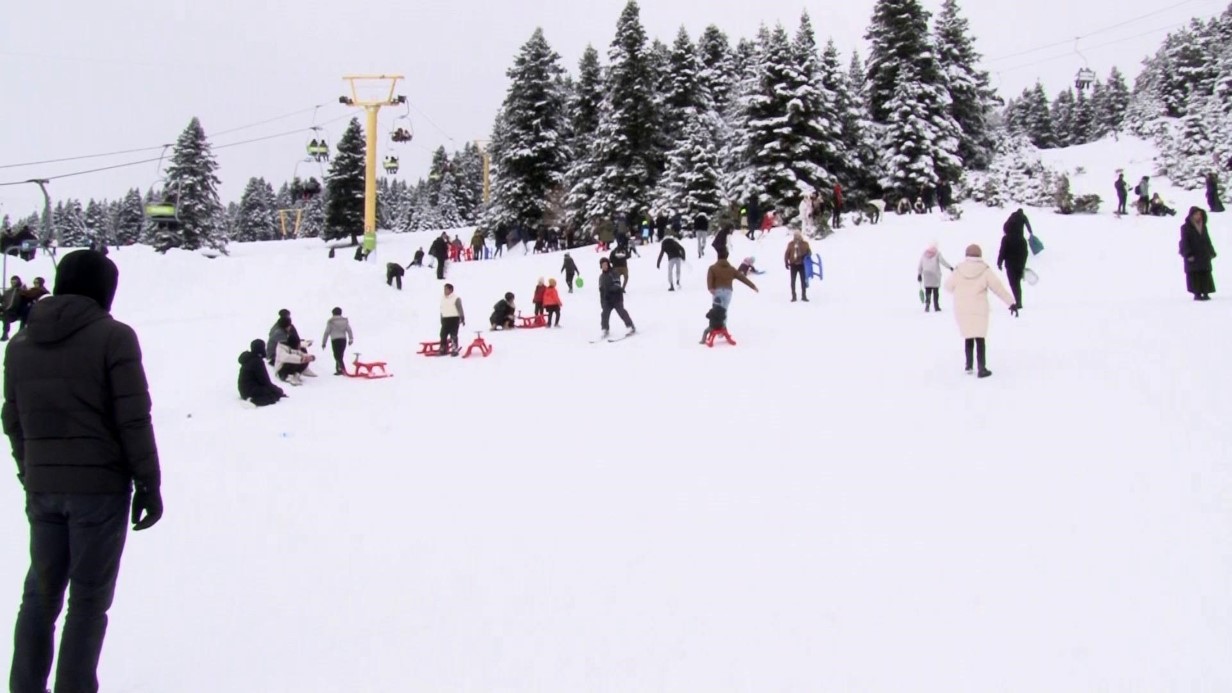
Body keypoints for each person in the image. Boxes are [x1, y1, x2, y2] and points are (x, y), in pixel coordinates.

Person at [2, 249, 163, 693]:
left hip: (43, 489)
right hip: (100, 490)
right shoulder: (114, 337)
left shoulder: (19, 344)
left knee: (39, 594)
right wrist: (149, 484)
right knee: (87, 602)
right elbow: (133, 418)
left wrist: (29, 471)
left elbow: (12, 419)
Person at [944, 244, 1018, 378]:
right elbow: (998, 288)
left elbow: (948, 287)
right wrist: (1011, 302)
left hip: (962, 308)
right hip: (979, 308)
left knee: (968, 336)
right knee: (979, 337)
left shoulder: (959, 269)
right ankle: (982, 367)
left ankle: (968, 365)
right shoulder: (985, 270)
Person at [1179, 206, 1217, 301]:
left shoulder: (1203, 226)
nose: (1198, 216)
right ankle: (1197, 293)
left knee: (1205, 273)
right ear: (1191, 216)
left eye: (1199, 214)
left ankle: (1205, 292)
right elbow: (1184, 242)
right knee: (1194, 274)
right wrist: (1188, 254)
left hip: (1204, 254)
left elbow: (1208, 240)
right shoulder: (1185, 227)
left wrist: (1211, 251)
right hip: (1193, 255)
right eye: (1196, 214)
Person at [997, 209, 1032, 309]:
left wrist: (999, 262)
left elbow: (1002, 251)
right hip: (1019, 264)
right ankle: (1019, 301)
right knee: (1017, 283)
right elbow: (1025, 253)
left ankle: (1018, 302)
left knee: (1014, 284)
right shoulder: (1022, 240)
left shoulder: (1006, 238)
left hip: (1010, 265)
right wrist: (1023, 264)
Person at [238, 340, 286, 406]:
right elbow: (265, 381)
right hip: (249, 392)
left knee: (273, 392)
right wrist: (278, 390)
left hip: (244, 390)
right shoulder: (257, 362)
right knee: (273, 395)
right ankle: (253, 401)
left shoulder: (250, 359)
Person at [597, 257, 635, 339]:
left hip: (616, 297)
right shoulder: (601, 277)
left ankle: (630, 326)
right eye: (602, 265)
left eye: (605, 264)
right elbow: (601, 291)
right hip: (607, 300)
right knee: (604, 314)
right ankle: (605, 329)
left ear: (608, 264)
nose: (604, 266)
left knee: (621, 311)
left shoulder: (614, 272)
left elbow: (617, 284)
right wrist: (602, 302)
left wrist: (610, 290)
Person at [917, 242, 954, 313]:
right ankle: (936, 306)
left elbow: (920, 264)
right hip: (935, 275)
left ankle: (927, 305)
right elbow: (943, 262)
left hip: (926, 274)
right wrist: (950, 267)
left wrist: (919, 274)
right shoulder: (937, 254)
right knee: (935, 291)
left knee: (928, 291)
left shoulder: (924, 254)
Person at [321, 307, 354, 375]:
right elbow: (349, 330)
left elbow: (326, 332)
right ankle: (339, 369)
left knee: (337, 355)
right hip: (343, 339)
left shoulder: (331, 322)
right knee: (340, 355)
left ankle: (342, 369)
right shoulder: (345, 321)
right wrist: (351, 339)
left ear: (333, 313)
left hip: (335, 340)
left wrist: (324, 343)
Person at [784, 230, 811, 302]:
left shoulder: (805, 244)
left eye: (798, 236)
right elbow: (787, 253)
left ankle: (804, 296)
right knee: (793, 281)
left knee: (803, 281)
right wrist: (786, 262)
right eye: (795, 236)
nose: (796, 237)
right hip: (793, 265)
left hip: (802, 265)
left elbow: (809, 252)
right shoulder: (791, 244)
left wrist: (806, 255)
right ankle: (794, 296)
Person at [439, 283, 465, 355]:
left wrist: (462, 317)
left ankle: (454, 348)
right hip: (445, 318)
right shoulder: (443, 298)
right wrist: (441, 317)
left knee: (453, 334)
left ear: (450, 290)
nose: (444, 291)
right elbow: (442, 309)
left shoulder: (456, 298)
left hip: (454, 318)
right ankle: (443, 348)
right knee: (443, 334)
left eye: (446, 289)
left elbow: (460, 308)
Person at [2, 276, 24, 341]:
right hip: (5, 309)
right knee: (6, 314)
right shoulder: (7, 291)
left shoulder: (21, 291)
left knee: (6, 315)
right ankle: (5, 333)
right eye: (12, 281)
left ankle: (5, 333)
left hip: (15, 311)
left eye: (15, 281)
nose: (13, 283)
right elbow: (2, 299)